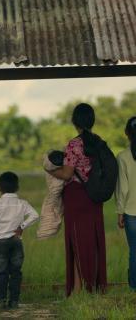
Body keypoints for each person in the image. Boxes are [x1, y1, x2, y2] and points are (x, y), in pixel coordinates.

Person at [48, 103, 107, 296]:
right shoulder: (99, 143)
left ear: (75, 121)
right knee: (94, 241)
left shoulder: (74, 144)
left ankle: (77, 289)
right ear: (92, 121)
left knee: (75, 241)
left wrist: (49, 169)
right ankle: (93, 287)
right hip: (95, 197)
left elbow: (66, 174)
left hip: (76, 196)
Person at [0, 171, 39, 309]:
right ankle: (14, 301)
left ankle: (1, 300)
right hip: (16, 241)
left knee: (1, 272)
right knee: (16, 272)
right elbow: (35, 215)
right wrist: (22, 226)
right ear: (17, 187)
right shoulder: (22, 203)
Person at [115, 116, 136, 291]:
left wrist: (120, 212)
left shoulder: (122, 157)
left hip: (131, 212)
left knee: (135, 251)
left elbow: (123, 188)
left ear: (126, 134)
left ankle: (134, 289)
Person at [37, 150, 64, 239]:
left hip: (52, 197)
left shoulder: (48, 167)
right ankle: (46, 234)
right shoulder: (57, 172)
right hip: (53, 197)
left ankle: (45, 234)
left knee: (49, 212)